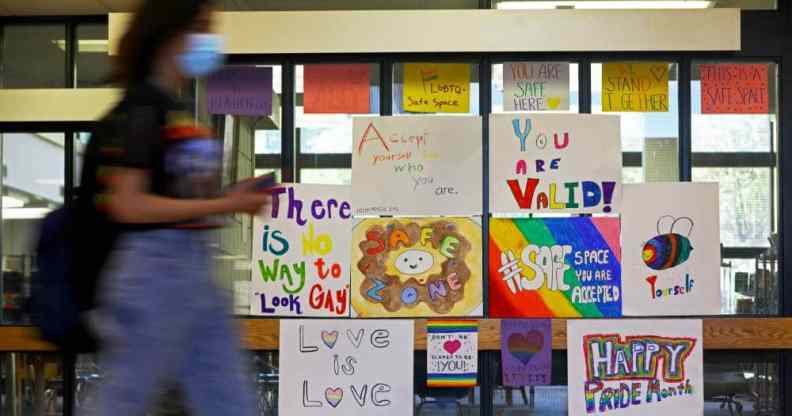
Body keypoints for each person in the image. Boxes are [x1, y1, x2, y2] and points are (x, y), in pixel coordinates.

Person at [79, 0, 267, 414]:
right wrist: (227, 202)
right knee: (125, 400)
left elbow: (171, 199)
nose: (210, 38)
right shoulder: (143, 109)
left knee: (228, 399)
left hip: (190, 269)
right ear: (170, 34)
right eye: (202, 26)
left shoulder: (172, 107)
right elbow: (128, 204)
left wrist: (228, 198)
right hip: (153, 272)